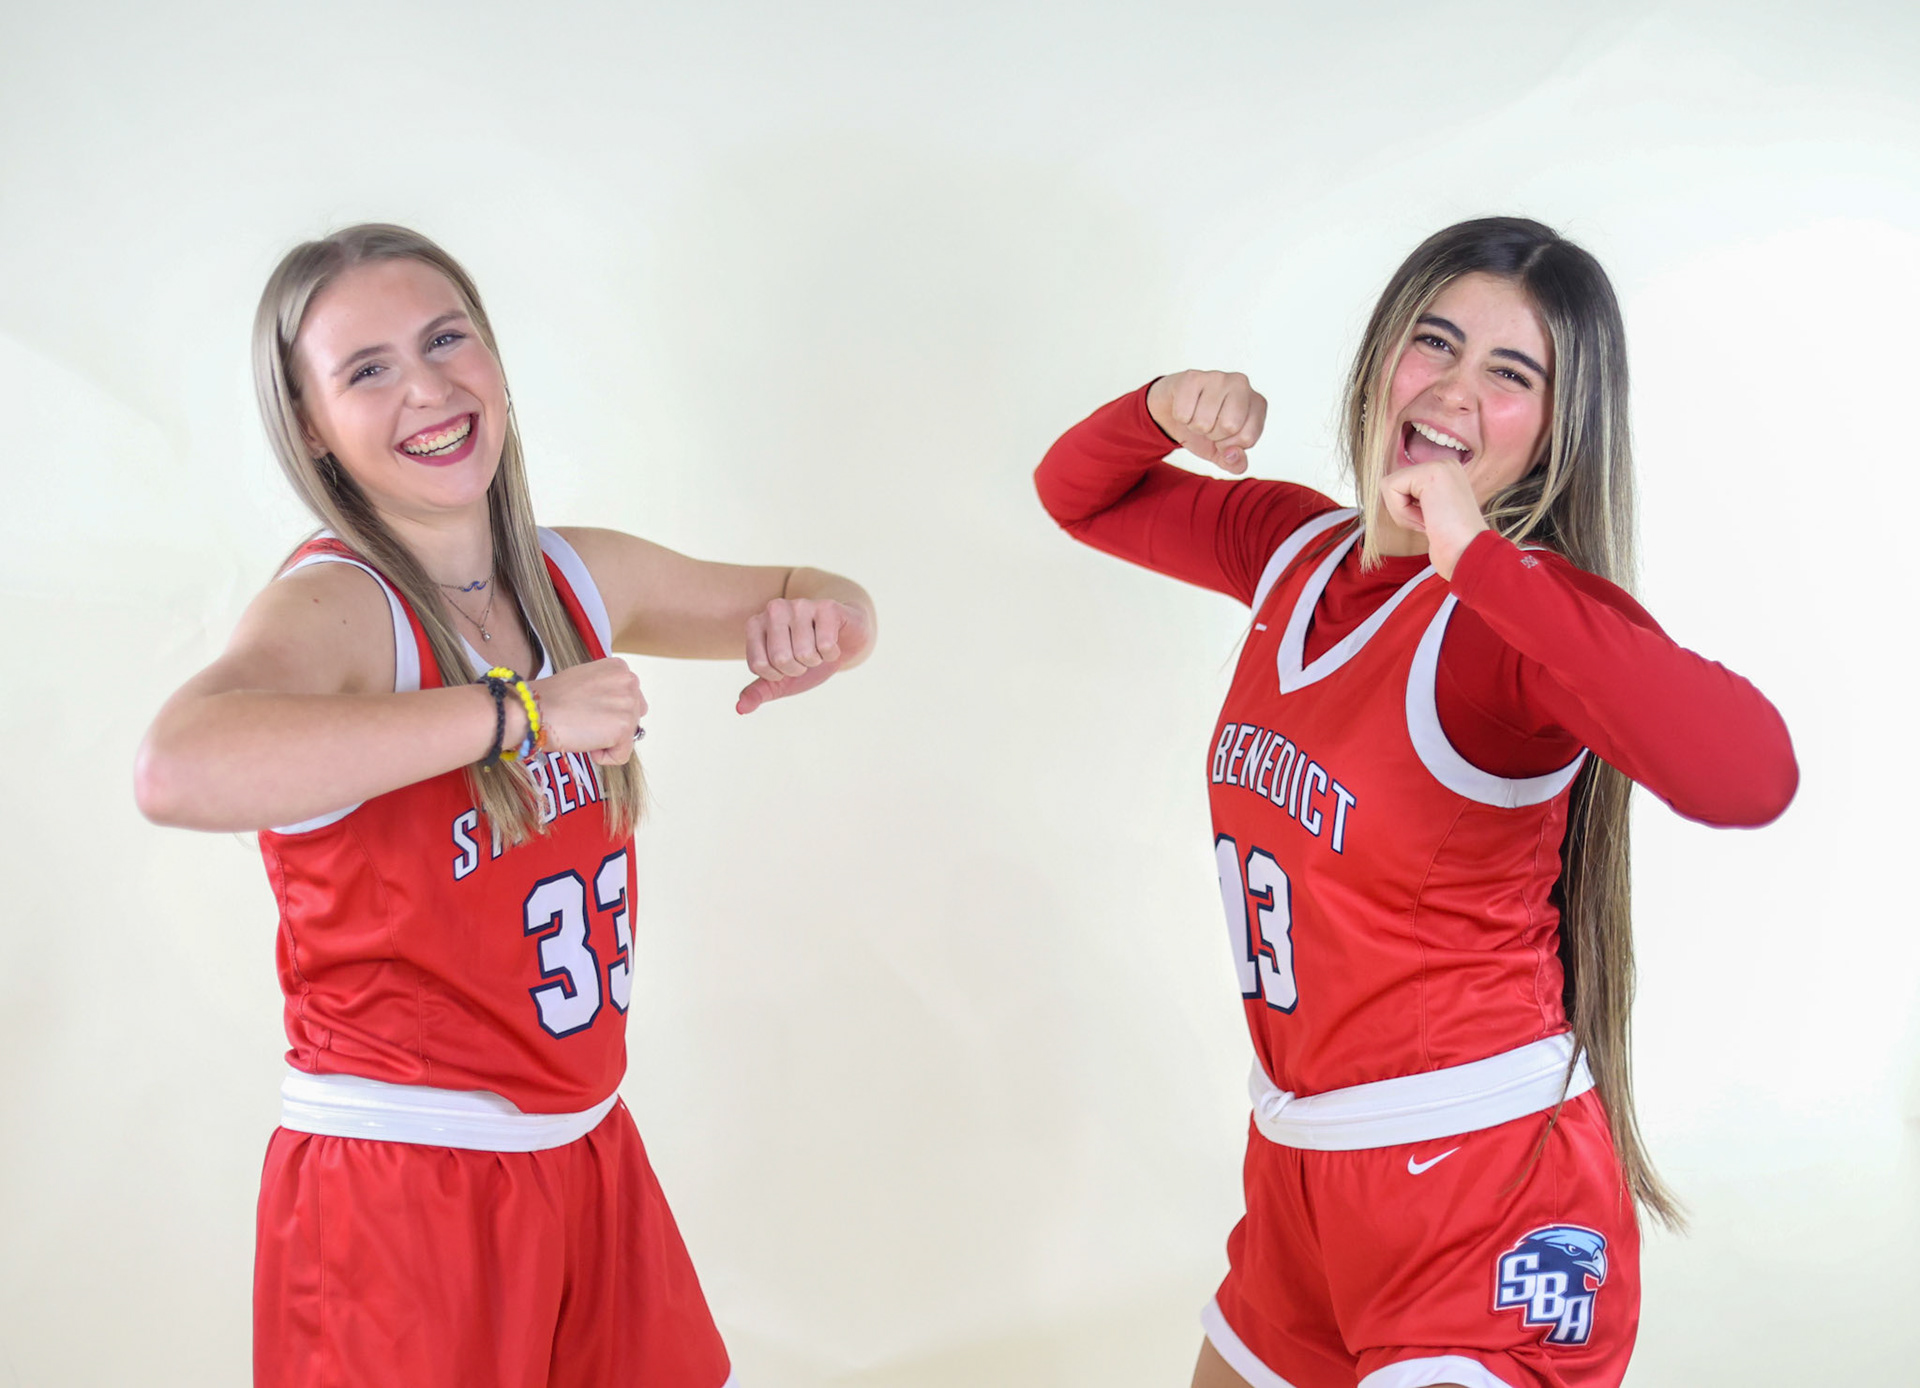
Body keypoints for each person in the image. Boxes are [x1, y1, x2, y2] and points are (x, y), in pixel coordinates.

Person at [1034, 217, 1795, 1388]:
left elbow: (1750, 771)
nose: (1452, 390)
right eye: (1433, 341)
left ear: (1555, 432)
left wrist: (1475, 556)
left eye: (1511, 373)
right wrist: (1160, 408)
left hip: (1484, 1192)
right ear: (1383, 353)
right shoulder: (1292, 548)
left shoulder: (1513, 616)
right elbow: (1077, 495)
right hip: (1300, 1173)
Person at [134, 223, 876, 1387]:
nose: (427, 387)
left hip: (585, 1146)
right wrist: (519, 712)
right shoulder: (340, 607)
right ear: (313, 428)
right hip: (404, 1179)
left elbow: (812, 594)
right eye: (367, 368)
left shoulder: (572, 575)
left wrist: (830, 625)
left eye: (445, 340)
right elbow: (178, 768)